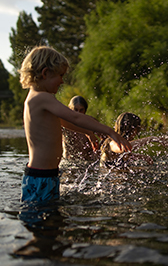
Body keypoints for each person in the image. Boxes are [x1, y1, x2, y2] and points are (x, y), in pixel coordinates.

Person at [19, 46, 132, 202]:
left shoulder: (38, 99)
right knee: (43, 220)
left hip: (45, 175)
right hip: (41, 176)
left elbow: (66, 122)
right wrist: (110, 132)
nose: (62, 80)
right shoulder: (41, 98)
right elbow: (75, 117)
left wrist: (88, 133)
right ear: (45, 73)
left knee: (49, 219)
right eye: (60, 75)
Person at [100, 112, 168, 168]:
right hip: (110, 182)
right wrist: (151, 139)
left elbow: (123, 155)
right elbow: (124, 148)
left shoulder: (115, 143)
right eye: (138, 129)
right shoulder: (112, 143)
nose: (137, 132)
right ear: (132, 129)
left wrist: (140, 157)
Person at [62, 95, 103, 161]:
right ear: (70, 109)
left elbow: (105, 138)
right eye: (75, 110)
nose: (78, 113)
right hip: (69, 162)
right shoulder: (64, 123)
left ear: (85, 110)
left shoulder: (90, 122)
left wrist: (99, 151)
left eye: (81, 110)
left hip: (88, 162)